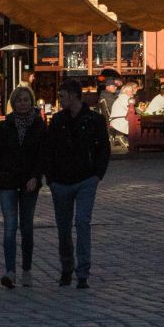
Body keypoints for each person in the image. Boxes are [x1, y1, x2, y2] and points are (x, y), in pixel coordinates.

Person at [45, 77, 110, 285]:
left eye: (62, 96)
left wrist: (97, 174)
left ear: (73, 96)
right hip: (61, 182)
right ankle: (66, 267)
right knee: (63, 229)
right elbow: (49, 150)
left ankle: (83, 272)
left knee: (82, 223)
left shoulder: (94, 120)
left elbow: (104, 149)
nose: (59, 100)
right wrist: (51, 179)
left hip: (85, 180)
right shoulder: (57, 121)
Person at [0, 85, 47, 287]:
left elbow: (41, 155)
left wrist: (36, 177)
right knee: (10, 227)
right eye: (19, 100)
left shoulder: (39, 125)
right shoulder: (5, 125)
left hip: (29, 182)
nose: (23, 103)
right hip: (7, 180)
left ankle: (26, 269)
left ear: (31, 102)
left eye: (26, 100)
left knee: (27, 227)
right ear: (13, 103)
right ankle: (10, 271)